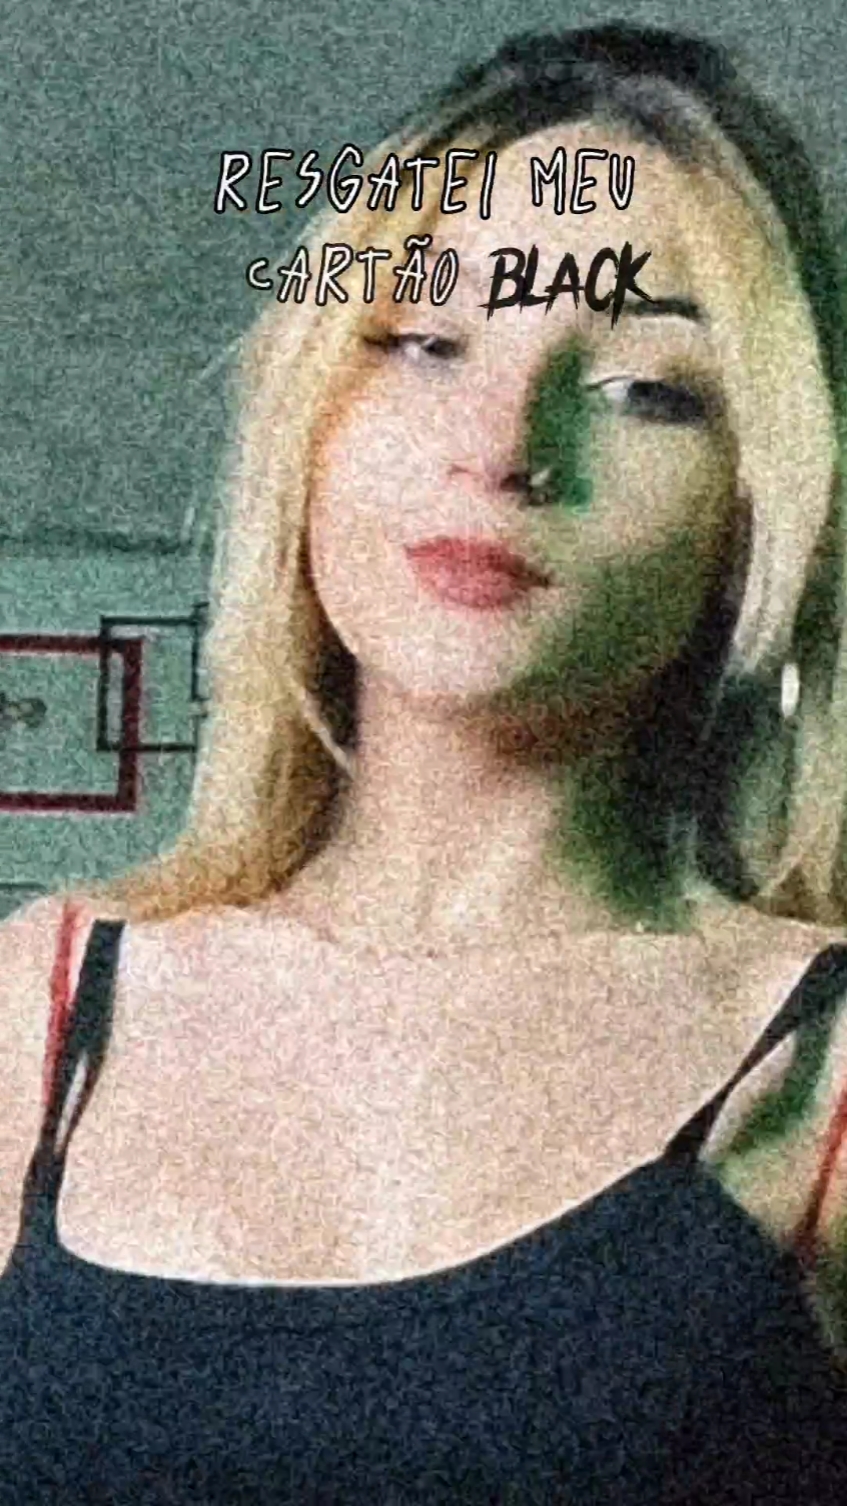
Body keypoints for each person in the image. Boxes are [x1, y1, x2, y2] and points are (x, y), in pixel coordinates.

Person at [3, 21, 847, 1503]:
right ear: (312, 421)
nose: (504, 443)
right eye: (427, 343)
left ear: (758, 506)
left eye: (646, 387)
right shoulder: (42, 1001)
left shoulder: (824, 1074)